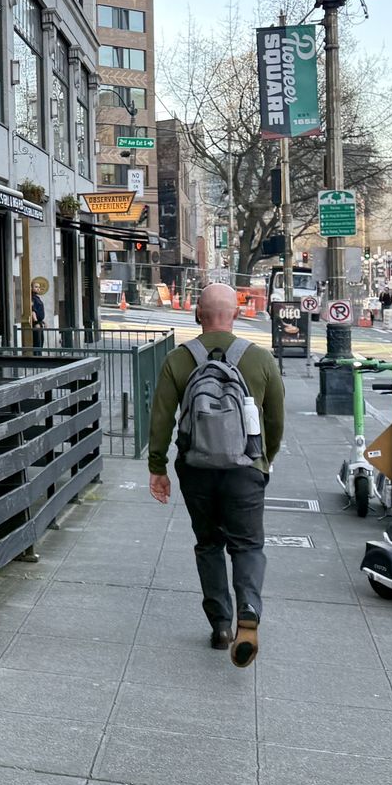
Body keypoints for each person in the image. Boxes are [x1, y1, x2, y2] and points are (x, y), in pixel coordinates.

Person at [146, 283, 285, 667]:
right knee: (248, 546)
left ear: (197, 316)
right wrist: (264, 460)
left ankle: (221, 624)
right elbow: (275, 419)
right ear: (236, 315)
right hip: (246, 469)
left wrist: (157, 467)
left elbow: (160, 419)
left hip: (196, 468)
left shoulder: (178, 359)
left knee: (208, 544)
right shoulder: (259, 360)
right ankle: (249, 610)